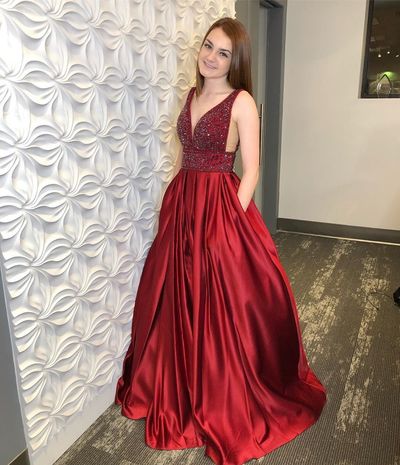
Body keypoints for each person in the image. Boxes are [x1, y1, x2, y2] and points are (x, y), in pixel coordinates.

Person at [115, 17, 327, 465]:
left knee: (224, 299)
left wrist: (231, 220)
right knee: (175, 296)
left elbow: (251, 169)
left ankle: (221, 389)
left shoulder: (241, 101)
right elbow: (184, 156)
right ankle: (180, 383)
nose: (211, 57)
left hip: (220, 205)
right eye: (209, 46)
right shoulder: (191, 95)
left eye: (223, 53)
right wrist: (170, 204)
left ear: (236, 61)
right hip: (183, 203)